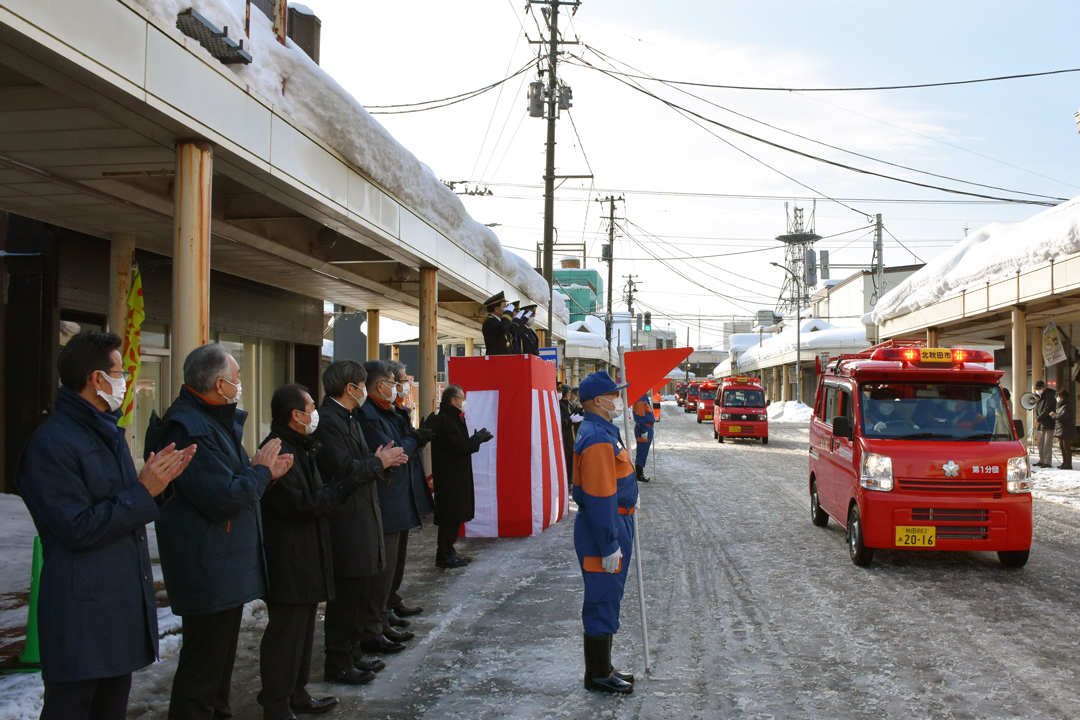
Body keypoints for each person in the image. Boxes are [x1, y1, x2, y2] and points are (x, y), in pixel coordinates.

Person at [16, 332, 195, 720]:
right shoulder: (54, 442)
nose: (127, 380)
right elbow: (77, 527)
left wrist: (158, 486)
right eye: (121, 372)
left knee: (110, 707)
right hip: (81, 611)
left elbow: (124, 501)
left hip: (115, 607)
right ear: (97, 379)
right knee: (73, 708)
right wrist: (144, 491)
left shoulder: (104, 432)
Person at [145, 344, 292, 720]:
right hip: (207, 565)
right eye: (237, 377)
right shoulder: (187, 427)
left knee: (218, 674)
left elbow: (235, 484)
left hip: (224, 563)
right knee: (202, 674)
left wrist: (265, 475)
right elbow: (222, 496)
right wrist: (259, 471)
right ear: (218, 383)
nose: (240, 384)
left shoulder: (212, 421)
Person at [257, 384, 358, 719]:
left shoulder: (301, 446)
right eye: (311, 407)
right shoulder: (277, 449)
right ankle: (275, 702)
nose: (315, 412)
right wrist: (338, 491)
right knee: (285, 634)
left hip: (308, 553)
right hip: (289, 556)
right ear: (296, 415)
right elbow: (297, 504)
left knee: (303, 631)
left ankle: (296, 692)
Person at [314, 361, 407, 683]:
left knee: (361, 588)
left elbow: (361, 461)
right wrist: (377, 461)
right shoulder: (328, 421)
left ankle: (354, 652)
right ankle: (339, 660)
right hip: (345, 517)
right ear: (349, 388)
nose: (363, 390)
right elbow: (345, 468)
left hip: (363, 511)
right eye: (360, 385)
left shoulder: (348, 417)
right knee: (346, 595)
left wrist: (382, 459)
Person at [358, 360, 434, 650]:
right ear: (380, 385)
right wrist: (414, 438)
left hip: (400, 496)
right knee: (383, 568)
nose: (400, 386)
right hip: (387, 498)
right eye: (396, 381)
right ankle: (375, 624)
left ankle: (384, 613)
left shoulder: (391, 411)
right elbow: (392, 451)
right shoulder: (369, 415)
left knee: (394, 566)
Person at [572, 371, 637, 695]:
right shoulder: (598, 438)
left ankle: (603, 666)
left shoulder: (602, 431)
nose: (618, 400)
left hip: (613, 523)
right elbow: (599, 497)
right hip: (605, 528)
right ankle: (597, 674)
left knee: (609, 595)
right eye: (614, 395)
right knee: (602, 597)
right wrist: (609, 543)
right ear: (598, 402)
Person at [423, 385, 492, 568]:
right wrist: (477, 439)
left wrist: (475, 438)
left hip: (457, 475)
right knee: (450, 517)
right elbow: (460, 446)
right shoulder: (445, 420)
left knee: (455, 516)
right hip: (449, 478)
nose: (464, 402)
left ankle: (449, 552)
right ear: (453, 401)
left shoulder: (454, 418)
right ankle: (444, 555)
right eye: (462, 398)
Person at [481, 291, 514, 355]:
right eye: (504, 306)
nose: (505, 308)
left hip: (503, 359)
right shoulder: (490, 321)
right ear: (497, 309)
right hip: (495, 360)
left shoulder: (498, 321)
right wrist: (508, 313)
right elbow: (503, 328)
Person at [631, 392, 653, 483]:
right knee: (642, 451)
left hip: (647, 427)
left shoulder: (643, 398)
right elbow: (640, 416)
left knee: (644, 450)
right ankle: (639, 474)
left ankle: (640, 473)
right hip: (644, 428)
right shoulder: (640, 399)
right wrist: (644, 430)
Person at [1035, 381, 1056, 468]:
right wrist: (1037, 417)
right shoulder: (1041, 397)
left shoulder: (1050, 397)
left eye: (1039, 389)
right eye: (1036, 389)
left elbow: (1047, 409)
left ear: (1044, 388)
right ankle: (1041, 459)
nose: (1037, 391)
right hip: (1041, 424)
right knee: (1040, 443)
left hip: (1048, 423)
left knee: (1047, 443)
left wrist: (1039, 418)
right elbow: (1038, 409)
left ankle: (1047, 461)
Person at [559, 385, 576, 485]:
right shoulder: (560, 404)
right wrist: (570, 420)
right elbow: (561, 421)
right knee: (567, 455)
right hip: (565, 433)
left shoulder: (567, 404)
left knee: (571, 454)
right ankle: (567, 476)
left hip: (571, 432)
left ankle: (569, 475)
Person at [1054, 389, 1075, 470]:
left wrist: (1054, 415)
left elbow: (1062, 416)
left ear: (1063, 397)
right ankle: (1064, 462)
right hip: (1061, 429)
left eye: (1059, 396)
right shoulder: (1061, 405)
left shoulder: (1067, 406)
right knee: (1062, 447)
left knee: (1067, 448)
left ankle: (1068, 463)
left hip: (1067, 430)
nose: (1058, 398)